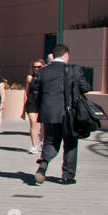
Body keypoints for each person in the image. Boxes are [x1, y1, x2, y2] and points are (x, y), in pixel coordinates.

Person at [27, 43, 91, 185]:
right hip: (69, 114)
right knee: (70, 142)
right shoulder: (74, 70)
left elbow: (35, 93)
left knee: (50, 140)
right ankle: (67, 176)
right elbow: (86, 87)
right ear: (66, 55)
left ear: (53, 56)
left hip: (49, 113)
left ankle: (43, 164)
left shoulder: (42, 72)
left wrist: (40, 109)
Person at [23, 59, 45, 154]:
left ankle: (43, 141)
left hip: (43, 103)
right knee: (33, 123)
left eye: (39, 67)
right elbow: (26, 92)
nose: (36, 69)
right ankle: (34, 145)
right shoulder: (29, 78)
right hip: (32, 102)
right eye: (34, 67)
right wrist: (23, 108)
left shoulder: (46, 78)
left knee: (43, 125)